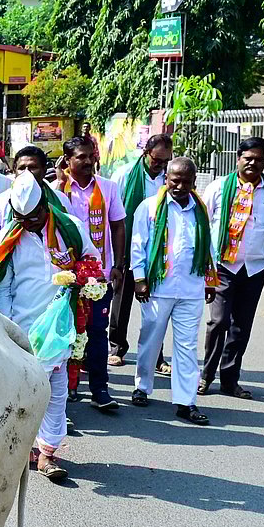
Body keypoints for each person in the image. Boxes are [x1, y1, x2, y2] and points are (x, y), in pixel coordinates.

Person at [0, 172, 98, 482]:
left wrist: (84, 277)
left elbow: (91, 258)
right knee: (24, 392)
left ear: (45, 206)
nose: (30, 222)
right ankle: (22, 449)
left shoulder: (71, 229)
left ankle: (47, 452)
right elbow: (3, 286)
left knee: (56, 390)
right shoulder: (9, 236)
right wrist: (10, 331)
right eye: (23, 216)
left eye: (35, 215)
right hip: (22, 327)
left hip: (62, 325)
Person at [129, 157, 218, 426]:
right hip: (158, 287)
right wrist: (140, 278)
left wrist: (210, 280)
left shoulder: (200, 210)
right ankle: (142, 387)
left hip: (191, 288)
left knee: (187, 346)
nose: (179, 186)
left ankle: (185, 401)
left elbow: (209, 247)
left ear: (193, 182)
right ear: (166, 179)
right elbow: (138, 244)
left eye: (185, 181)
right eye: (174, 180)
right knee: (151, 339)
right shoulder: (150, 207)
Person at [199, 137, 264, 399]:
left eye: (259, 160)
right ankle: (205, 376)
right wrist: (204, 265)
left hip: (256, 267)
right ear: (238, 159)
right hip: (223, 265)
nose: (253, 164)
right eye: (248, 158)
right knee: (219, 321)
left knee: (241, 326)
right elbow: (202, 224)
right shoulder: (219, 187)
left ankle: (230, 379)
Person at [54, 135, 126, 411]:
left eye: (90, 156)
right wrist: (59, 184)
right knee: (68, 332)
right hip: (66, 276)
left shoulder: (108, 188)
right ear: (67, 161)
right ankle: (68, 388)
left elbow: (118, 226)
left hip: (100, 274)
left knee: (97, 331)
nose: (87, 161)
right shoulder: (57, 191)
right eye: (80, 157)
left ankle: (100, 389)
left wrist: (119, 266)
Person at [109, 134, 174, 367]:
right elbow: (113, 215)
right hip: (128, 246)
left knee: (157, 307)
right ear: (146, 153)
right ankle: (117, 347)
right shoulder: (125, 175)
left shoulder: (169, 180)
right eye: (157, 160)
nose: (160, 166)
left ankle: (157, 356)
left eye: (165, 161)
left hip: (158, 250)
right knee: (122, 300)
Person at [0, 145, 70, 268]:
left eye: (32, 167)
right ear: (14, 170)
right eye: (21, 168)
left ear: (44, 170)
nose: (27, 173)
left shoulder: (60, 200)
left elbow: (72, 235)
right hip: (13, 277)